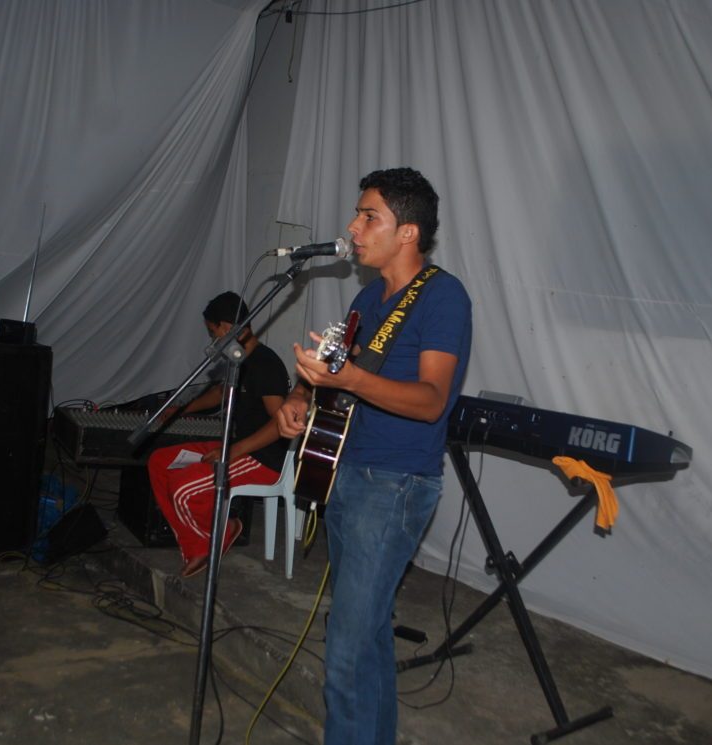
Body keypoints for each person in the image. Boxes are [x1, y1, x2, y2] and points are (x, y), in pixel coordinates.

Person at [275, 168, 472, 744]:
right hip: (346, 473)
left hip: (394, 484)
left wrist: (351, 379)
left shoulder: (443, 297)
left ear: (408, 232)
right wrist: (300, 394)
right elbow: (335, 372)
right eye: (357, 215)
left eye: (369, 217)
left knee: (346, 649)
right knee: (367, 637)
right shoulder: (368, 297)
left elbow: (432, 401)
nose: (353, 228)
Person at [147, 291, 290, 578]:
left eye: (213, 332)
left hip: (263, 458)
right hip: (239, 446)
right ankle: (197, 542)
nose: (213, 339)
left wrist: (232, 452)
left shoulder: (266, 364)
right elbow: (221, 393)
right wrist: (181, 410)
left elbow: (280, 424)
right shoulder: (239, 360)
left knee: (183, 489)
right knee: (159, 462)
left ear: (226, 327)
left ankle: (221, 532)